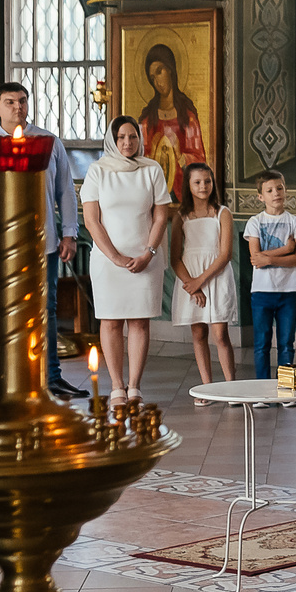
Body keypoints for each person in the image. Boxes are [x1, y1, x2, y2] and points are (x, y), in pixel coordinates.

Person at [0, 80, 86, 398]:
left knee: (48, 309)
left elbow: (65, 191)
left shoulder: (48, 142)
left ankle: (50, 376)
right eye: (10, 102)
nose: (18, 107)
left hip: (44, 244)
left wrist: (70, 232)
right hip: (0, 247)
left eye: (23, 101)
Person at [80, 115, 172, 405]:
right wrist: (116, 256)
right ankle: (117, 386)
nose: (128, 143)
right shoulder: (98, 171)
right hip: (108, 260)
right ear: (112, 139)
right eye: (121, 137)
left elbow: (161, 216)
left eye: (132, 137)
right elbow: (92, 221)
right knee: (110, 321)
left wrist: (149, 253)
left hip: (146, 257)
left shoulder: (152, 169)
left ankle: (135, 386)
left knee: (139, 321)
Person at [168, 160, 238, 386]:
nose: (203, 186)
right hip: (191, 279)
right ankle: (207, 386)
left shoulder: (222, 213)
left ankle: (230, 386)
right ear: (188, 185)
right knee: (199, 334)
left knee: (220, 335)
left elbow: (225, 254)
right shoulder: (181, 216)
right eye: (197, 182)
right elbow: (175, 258)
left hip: (215, 277)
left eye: (207, 181)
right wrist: (192, 285)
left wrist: (201, 281)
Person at [243, 170, 296, 379]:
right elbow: (255, 258)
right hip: (262, 292)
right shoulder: (255, 222)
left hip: (288, 290)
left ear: (286, 191)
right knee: (261, 343)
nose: (276, 193)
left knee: (286, 343)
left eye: (279, 188)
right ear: (261, 197)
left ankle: (286, 387)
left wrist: (269, 259)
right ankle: (262, 388)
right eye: (269, 190)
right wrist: (284, 249)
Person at [137, 42, 209, 191]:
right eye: (152, 78)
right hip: (153, 191)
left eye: (159, 71)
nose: (157, 82)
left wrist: (179, 154)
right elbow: (138, 158)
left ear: (170, 69)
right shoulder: (147, 118)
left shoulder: (187, 116)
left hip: (182, 191)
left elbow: (200, 161)